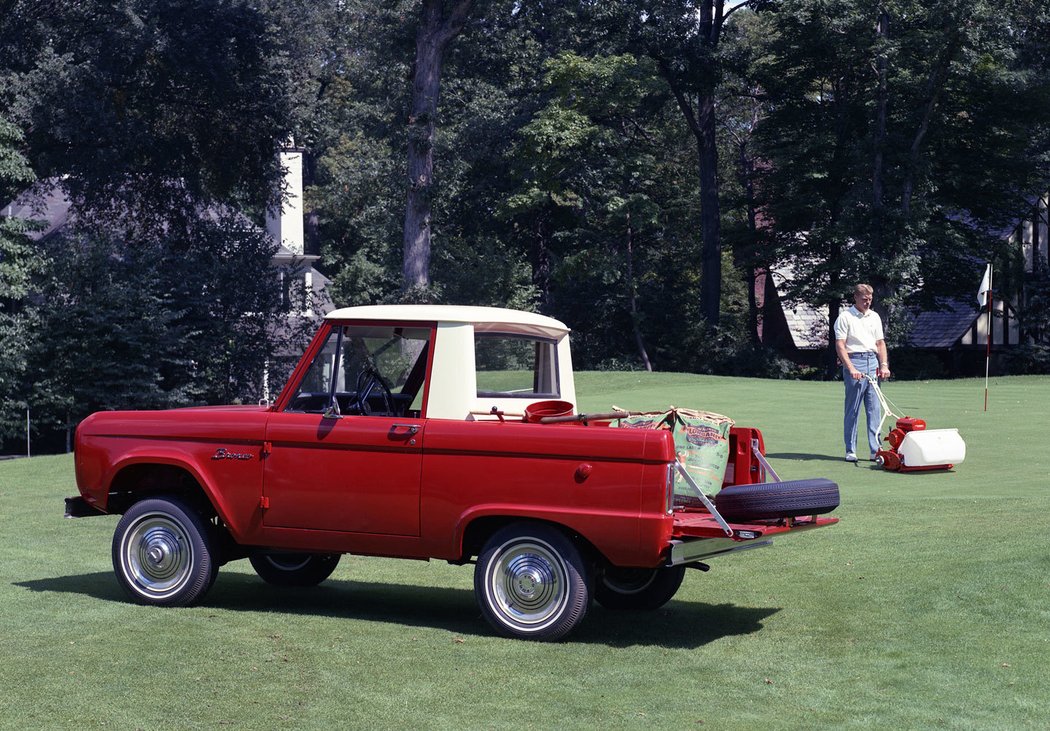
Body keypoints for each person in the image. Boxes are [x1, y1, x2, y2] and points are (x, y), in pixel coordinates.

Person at [833, 283, 891, 462]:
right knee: (853, 409)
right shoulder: (845, 317)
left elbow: (880, 343)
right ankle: (851, 450)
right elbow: (840, 345)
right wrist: (850, 368)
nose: (867, 303)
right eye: (864, 299)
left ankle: (876, 450)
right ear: (855, 298)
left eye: (870, 300)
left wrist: (884, 365)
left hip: (872, 360)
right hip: (854, 359)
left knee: (874, 409)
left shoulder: (874, 317)